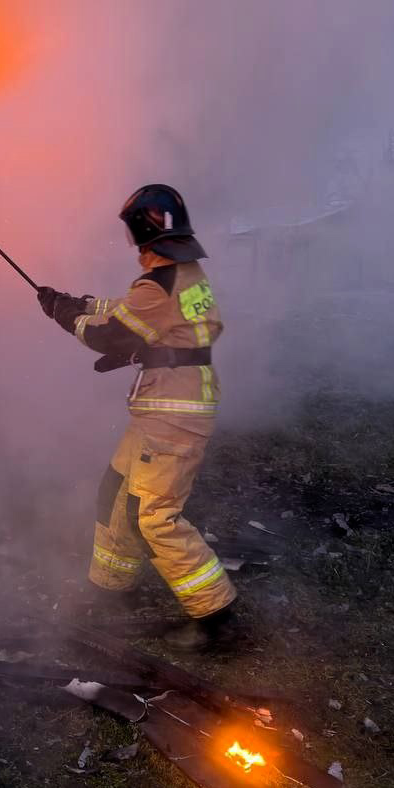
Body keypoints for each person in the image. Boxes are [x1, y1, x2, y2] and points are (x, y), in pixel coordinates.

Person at [36, 184, 237, 651]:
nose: (136, 250)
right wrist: (79, 301)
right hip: (166, 408)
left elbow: (109, 336)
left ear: (147, 232)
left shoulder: (159, 282)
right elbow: (136, 313)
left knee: (154, 515)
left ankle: (216, 615)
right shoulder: (184, 275)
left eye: (136, 236)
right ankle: (111, 588)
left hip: (173, 414)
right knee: (116, 491)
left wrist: (66, 317)